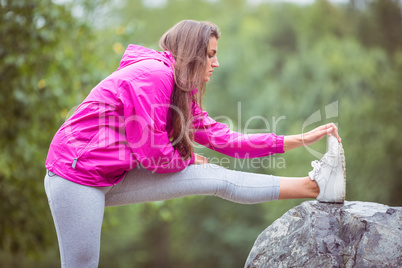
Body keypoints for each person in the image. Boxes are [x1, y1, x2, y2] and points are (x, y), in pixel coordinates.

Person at [44, 20, 346, 267]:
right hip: (76, 175)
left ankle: (316, 186)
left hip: (109, 175)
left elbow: (227, 140)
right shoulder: (153, 76)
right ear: (193, 53)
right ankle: (317, 186)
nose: (216, 62)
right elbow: (153, 153)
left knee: (216, 178)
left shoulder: (179, 90)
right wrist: (189, 160)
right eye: (211, 54)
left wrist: (300, 139)